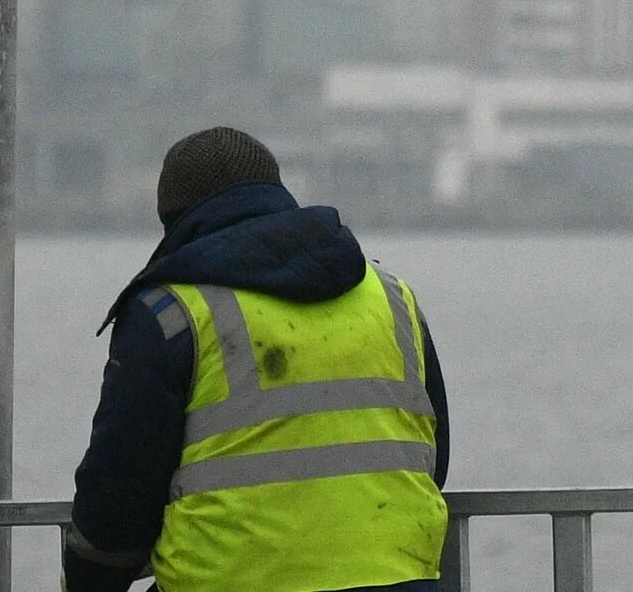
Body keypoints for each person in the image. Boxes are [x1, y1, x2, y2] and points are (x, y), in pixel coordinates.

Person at [62, 127, 450, 592]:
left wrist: (90, 575)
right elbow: (432, 456)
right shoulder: (392, 297)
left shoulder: (171, 314)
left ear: (177, 220)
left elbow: (119, 497)